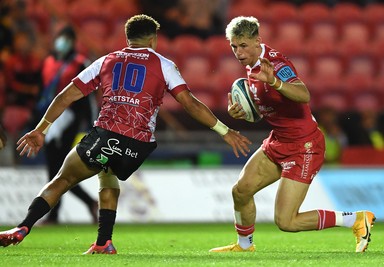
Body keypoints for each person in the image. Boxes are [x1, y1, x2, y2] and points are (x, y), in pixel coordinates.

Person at [0, 14, 251, 254]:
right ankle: (104, 242)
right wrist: (224, 131)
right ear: (153, 39)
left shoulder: (106, 61)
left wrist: (40, 129)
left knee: (61, 180)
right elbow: (191, 103)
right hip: (139, 146)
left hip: (106, 135)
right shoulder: (164, 64)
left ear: (127, 37)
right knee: (107, 173)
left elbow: (66, 95)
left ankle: (23, 226)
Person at [208, 16, 375, 253]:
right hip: (279, 141)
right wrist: (241, 113)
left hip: (304, 145)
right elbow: (269, 108)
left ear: (258, 41)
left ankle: (356, 219)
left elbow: (303, 94)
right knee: (241, 190)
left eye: (243, 45)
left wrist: (275, 82)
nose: (238, 52)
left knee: (286, 222)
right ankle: (245, 246)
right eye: (234, 46)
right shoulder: (251, 65)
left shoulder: (276, 64)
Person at [36, 25, 98, 224]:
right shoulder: (47, 62)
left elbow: (88, 97)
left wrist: (89, 122)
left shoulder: (80, 63)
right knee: (54, 169)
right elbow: (43, 91)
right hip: (49, 118)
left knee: (57, 169)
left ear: (71, 42)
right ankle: (87, 202)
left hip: (70, 119)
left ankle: (55, 214)